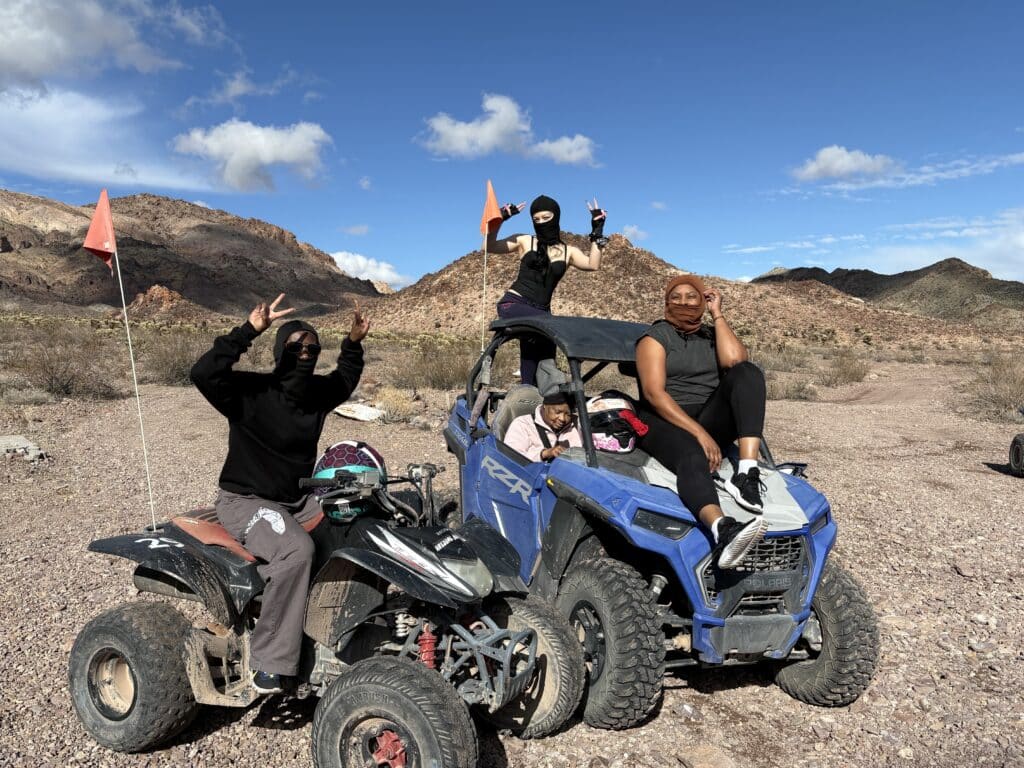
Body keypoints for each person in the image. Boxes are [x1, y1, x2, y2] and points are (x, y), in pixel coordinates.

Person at [190, 293, 370, 694]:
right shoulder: (250, 391)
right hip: (247, 500)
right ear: (279, 351)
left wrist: (353, 344)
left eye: (311, 348)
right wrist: (248, 331)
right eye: (295, 347)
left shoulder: (316, 395)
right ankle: (269, 661)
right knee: (296, 551)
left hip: (298, 499)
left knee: (355, 520)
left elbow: (345, 378)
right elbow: (203, 372)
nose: (304, 353)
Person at [634, 275, 769, 569]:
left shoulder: (710, 335)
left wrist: (717, 314)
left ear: (702, 300)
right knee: (693, 455)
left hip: (707, 413)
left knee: (748, 372)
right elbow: (654, 394)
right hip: (664, 417)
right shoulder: (655, 337)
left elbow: (736, 362)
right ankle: (723, 529)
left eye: (691, 296)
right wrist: (700, 433)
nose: (683, 302)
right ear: (666, 302)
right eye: (676, 297)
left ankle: (747, 472)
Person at [487, 194, 608, 386]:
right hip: (514, 304)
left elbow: (593, 264)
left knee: (541, 353)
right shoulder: (525, 241)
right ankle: (537, 388)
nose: (541, 222)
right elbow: (489, 246)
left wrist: (597, 230)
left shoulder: (568, 251)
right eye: (536, 219)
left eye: (546, 217)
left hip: (542, 311)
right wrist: (500, 218)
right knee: (549, 329)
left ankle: (532, 392)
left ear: (556, 217)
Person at [504, 391, 584, 462]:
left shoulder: (578, 425)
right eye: (557, 412)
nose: (562, 418)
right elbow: (511, 459)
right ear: (545, 405)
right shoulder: (523, 424)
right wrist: (544, 454)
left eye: (568, 414)